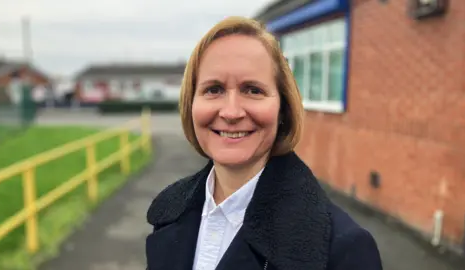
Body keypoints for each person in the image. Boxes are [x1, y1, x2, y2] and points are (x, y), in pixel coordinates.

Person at [145, 16, 383, 270]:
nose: (231, 112)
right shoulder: (169, 211)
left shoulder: (344, 249)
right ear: (191, 104)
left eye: (253, 90)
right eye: (213, 89)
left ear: (283, 109)